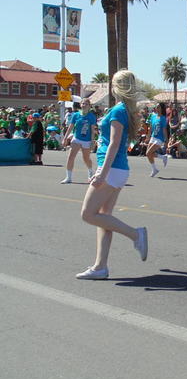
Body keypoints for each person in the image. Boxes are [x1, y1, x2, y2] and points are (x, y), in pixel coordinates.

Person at [76, 70, 147, 280]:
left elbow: (114, 144)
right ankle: (100, 267)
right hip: (118, 169)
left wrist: (101, 173)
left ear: (118, 87)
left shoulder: (118, 111)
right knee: (104, 218)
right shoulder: (123, 110)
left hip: (112, 169)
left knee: (88, 214)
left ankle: (136, 234)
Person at [60, 98, 97, 184]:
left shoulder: (91, 116)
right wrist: (65, 138)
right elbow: (70, 127)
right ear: (80, 105)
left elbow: (92, 130)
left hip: (87, 140)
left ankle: (91, 171)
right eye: (83, 103)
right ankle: (68, 177)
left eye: (86, 104)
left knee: (86, 158)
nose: (84, 105)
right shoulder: (76, 115)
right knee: (70, 157)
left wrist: (92, 141)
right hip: (76, 138)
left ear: (89, 106)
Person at [145, 103, 169, 177]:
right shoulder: (153, 116)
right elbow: (151, 128)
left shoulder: (163, 118)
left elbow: (164, 130)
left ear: (162, 108)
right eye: (156, 107)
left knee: (148, 153)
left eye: (158, 107)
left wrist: (166, 140)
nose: (156, 108)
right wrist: (148, 137)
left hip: (159, 138)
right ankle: (155, 168)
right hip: (153, 137)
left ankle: (162, 158)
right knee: (148, 154)